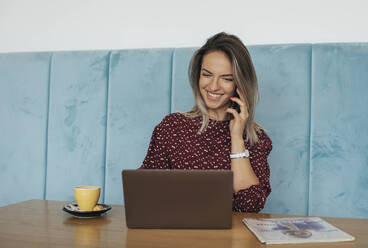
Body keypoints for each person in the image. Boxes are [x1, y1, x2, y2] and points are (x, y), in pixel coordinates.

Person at [140, 32, 272, 212]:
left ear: (239, 84)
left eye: (227, 78)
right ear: (198, 76)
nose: (214, 86)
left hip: (231, 237)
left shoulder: (256, 139)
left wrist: (237, 138)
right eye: (207, 74)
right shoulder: (172, 127)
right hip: (178, 233)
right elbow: (143, 192)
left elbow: (250, 205)